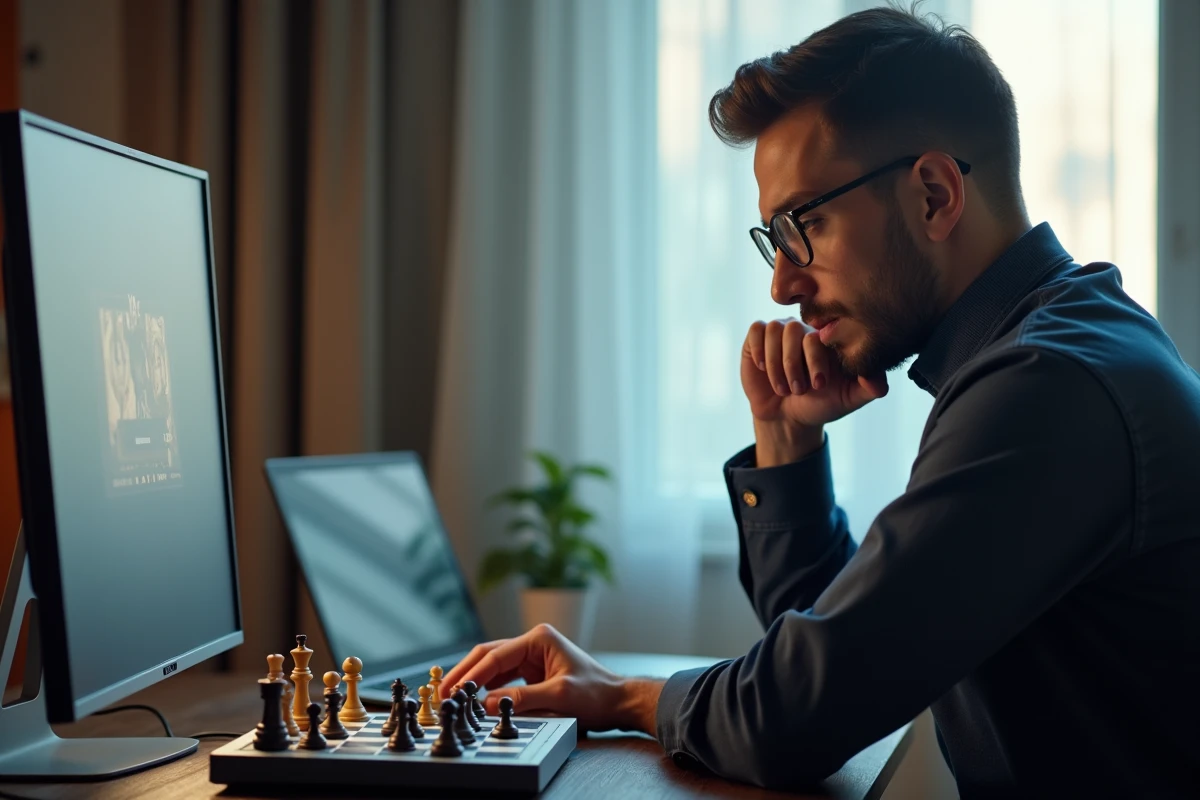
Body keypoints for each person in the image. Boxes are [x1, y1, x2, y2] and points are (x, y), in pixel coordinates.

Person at [443, 6, 1200, 797]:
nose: (782, 283)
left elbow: (794, 716)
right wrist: (784, 437)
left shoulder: (1047, 388)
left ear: (936, 194)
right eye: (774, 238)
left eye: (806, 223)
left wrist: (621, 696)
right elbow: (838, 657)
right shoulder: (1055, 349)